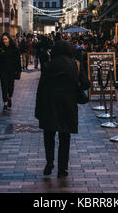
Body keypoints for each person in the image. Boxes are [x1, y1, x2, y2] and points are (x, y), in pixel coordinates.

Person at [35, 40, 80, 178]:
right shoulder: (75, 64)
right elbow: (85, 83)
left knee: (49, 135)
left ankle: (49, 162)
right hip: (67, 105)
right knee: (64, 137)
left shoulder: (49, 65)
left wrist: (38, 109)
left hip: (50, 105)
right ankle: (63, 168)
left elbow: (41, 87)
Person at [0, 33, 21, 112]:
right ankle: (5, 103)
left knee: (10, 86)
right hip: (2, 70)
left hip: (12, 70)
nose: (4, 41)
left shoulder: (14, 48)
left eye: (6, 39)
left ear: (9, 39)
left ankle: (9, 97)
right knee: (4, 86)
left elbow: (18, 60)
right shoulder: (0, 48)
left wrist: (18, 70)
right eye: (3, 39)